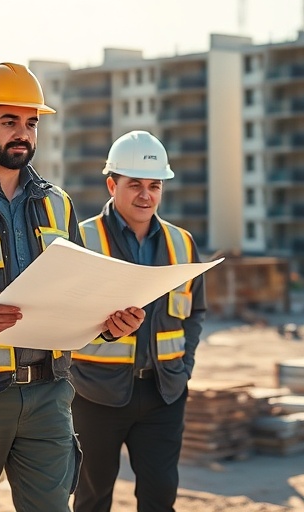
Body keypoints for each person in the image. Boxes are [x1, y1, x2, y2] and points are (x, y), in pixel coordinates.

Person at [0, 62, 145, 512]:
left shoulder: (58, 204)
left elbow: (79, 298)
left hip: (49, 397)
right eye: (10, 121)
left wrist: (111, 324)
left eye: (31, 123)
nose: (23, 133)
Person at [71, 130, 207, 512]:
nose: (146, 195)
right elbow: (63, 319)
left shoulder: (183, 244)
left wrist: (184, 369)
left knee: (161, 497)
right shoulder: (82, 240)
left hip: (164, 394)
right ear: (112, 184)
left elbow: (195, 313)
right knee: (92, 498)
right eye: (135, 185)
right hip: (95, 395)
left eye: (154, 185)